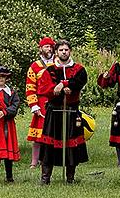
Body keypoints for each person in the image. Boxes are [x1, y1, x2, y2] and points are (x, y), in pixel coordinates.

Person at [36, 39, 88, 184]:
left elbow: (79, 82)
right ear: (56, 52)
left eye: (66, 50)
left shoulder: (78, 69)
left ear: (69, 51)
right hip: (55, 111)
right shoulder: (50, 70)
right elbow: (43, 88)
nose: (64, 52)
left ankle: (70, 178)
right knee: (49, 145)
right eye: (61, 50)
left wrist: (64, 83)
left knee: (71, 144)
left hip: (71, 110)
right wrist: (56, 90)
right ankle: (45, 178)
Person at [25, 37, 55, 168]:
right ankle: (34, 161)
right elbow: (30, 87)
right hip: (41, 102)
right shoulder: (34, 66)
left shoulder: (57, 63)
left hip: (55, 100)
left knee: (54, 132)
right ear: (40, 48)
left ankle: (50, 160)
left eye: (50, 46)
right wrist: (33, 105)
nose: (49, 49)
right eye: (46, 46)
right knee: (38, 134)